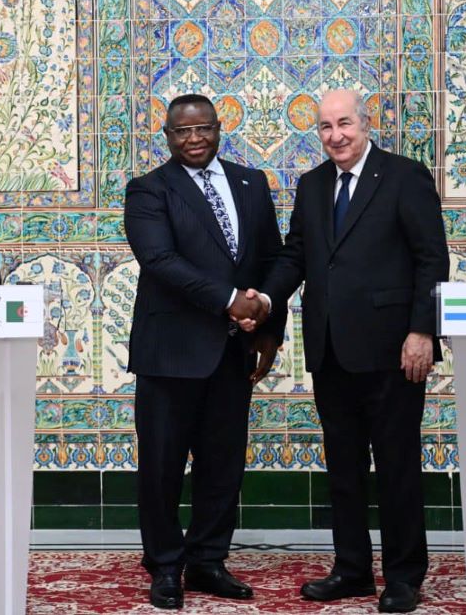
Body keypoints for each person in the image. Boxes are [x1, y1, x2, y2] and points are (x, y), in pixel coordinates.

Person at [248, 89, 449, 613]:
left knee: (397, 467)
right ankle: (352, 569)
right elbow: (296, 255)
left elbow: (432, 259)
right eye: (325, 127)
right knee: (343, 468)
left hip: (394, 351)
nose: (335, 136)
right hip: (331, 349)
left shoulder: (404, 176)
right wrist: (265, 299)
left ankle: (403, 576)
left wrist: (422, 332)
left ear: (366, 123)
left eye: (344, 124)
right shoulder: (314, 185)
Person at [124, 94, 284, 610]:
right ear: (167, 136)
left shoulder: (251, 183)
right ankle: (165, 565)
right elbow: (160, 260)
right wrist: (229, 300)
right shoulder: (149, 189)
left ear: (219, 128)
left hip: (234, 351)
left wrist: (269, 326)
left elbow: (272, 257)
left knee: (222, 465)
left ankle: (208, 561)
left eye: (203, 128)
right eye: (182, 131)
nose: (194, 139)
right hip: (170, 353)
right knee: (162, 467)